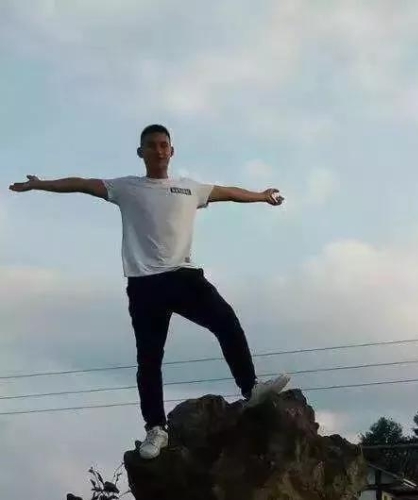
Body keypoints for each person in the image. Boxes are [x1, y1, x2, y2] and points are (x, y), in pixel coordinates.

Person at [9, 124, 290, 459]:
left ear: (171, 151)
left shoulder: (189, 188)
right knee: (149, 358)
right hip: (145, 285)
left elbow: (229, 192)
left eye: (163, 145)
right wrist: (40, 184)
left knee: (227, 322)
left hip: (185, 277)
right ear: (140, 152)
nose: (158, 151)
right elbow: (81, 184)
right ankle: (156, 428)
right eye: (151, 145)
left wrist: (261, 195)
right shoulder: (126, 187)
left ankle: (250, 388)